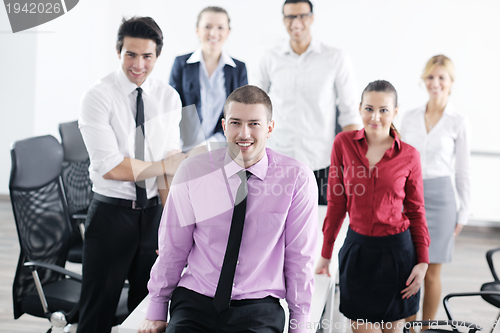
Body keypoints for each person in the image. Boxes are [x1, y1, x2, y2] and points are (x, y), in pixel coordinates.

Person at [138, 85, 318, 333]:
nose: (244, 133)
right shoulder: (193, 170)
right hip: (195, 301)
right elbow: (173, 247)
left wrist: (300, 326)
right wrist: (157, 307)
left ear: (270, 128)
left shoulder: (297, 178)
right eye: (235, 123)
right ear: (224, 126)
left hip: (258, 307)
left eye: (254, 123)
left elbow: (300, 260)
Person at [78, 16, 186, 333]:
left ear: (157, 56)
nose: (138, 64)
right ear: (119, 51)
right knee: (96, 313)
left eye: (147, 56)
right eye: (131, 54)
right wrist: (166, 165)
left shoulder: (169, 97)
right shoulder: (97, 96)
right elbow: (111, 167)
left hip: (153, 215)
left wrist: (171, 226)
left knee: (148, 313)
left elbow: (171, 163)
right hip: (111, 216)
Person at [315, 80, 430, 332]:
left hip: (397, 255)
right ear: (359, 108)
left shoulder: (409, 155)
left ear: (395, 112)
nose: (375, 117)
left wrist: (423, 262)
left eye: (383, 110)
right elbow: (337, 203)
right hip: (358, 252)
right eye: (369, 108)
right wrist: (325, 254)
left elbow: (416, 211)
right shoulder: (343, 144)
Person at [254, 0, 361, 205]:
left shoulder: (335, 58)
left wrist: (352, 163)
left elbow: (349, 114)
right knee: (275, 225)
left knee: (321, 230)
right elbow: (255, 108)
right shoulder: (270, 58)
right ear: (284, 20)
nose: (296, 23)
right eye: (290, 17)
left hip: (321, 162)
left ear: (311, 18)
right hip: (278, 159)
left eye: (302, 16)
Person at [401, 55, 471, 327]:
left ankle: (426, 328)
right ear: (424, 80)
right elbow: (399, 161)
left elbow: (463, 170)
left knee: (431, 272)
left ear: (451, 82)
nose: (435, 83)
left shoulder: (458, 121)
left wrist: (463, 212)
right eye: (430, 77)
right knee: (409, 268)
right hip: (410, 196)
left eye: (441, 77)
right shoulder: (409, 117)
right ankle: (409, 327)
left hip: (442, 200)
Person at [169, 6, 247, 151]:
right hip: (183, 149)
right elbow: (171, 109)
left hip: (223, 149)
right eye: (207, 26)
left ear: (228, 32)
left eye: (220, 27)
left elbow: (241, 115)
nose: (213, 33)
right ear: (197, 30)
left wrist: (207, 147)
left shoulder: (239, 69)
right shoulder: (181, 64)